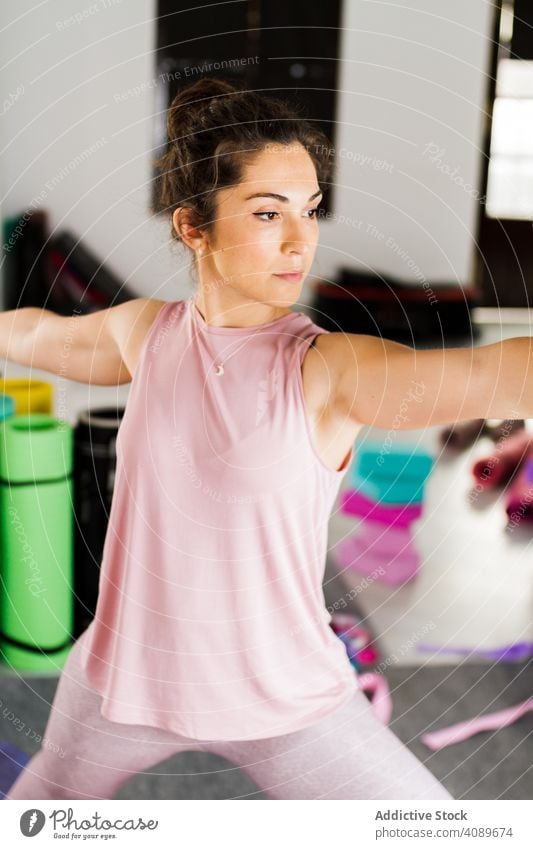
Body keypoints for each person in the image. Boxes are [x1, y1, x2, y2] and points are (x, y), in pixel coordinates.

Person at [10, 74, 516, 800]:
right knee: (37, 815)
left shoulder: (328, 369)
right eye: (267, 212)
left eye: (309, 211)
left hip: (283, 699)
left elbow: (494, 371)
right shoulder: (144, 334)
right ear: (194, 226)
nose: (298, 239)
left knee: (426, 827)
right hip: (124, 679)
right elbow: (35, 331)